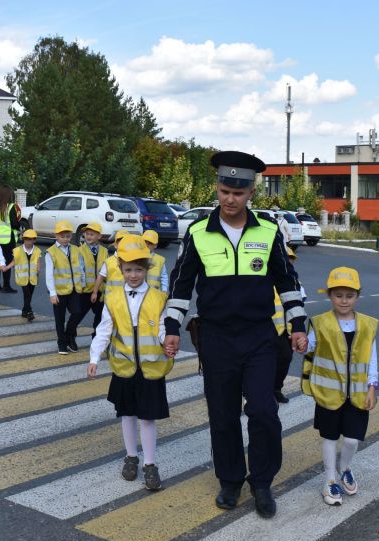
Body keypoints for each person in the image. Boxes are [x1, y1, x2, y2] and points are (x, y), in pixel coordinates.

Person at [163, 150, 308, 519]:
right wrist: (172, 328)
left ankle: (261, 482)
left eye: (238, 193)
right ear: (217, 188)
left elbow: (287, 281)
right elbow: (181, 285)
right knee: (223, 416)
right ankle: (230, 480)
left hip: (260, 337)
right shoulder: (197, 232)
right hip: (216, 338)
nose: (230, 199)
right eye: (225, 191)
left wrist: (297, 324)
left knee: (264, 411)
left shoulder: (269, 230)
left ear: (250, 194)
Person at [87, 234, 173, 491]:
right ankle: (131, 457)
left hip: (150, 368)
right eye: (128, 270)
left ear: (146, 269)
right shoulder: (112, 298)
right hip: (124, 368)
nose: (133, 275)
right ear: (120, 268)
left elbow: (161, 328)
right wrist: (94, 358)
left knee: (147, 418)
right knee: (127, 414)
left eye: (138, 269)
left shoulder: (159, 298)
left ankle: (149, 464)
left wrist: (167, 342)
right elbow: (104, 330)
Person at [301, 267, 378, 506]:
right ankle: (330, 480)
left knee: (353, 440)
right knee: (330, 437)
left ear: (357, 296)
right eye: (338, 295)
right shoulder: (319, 323)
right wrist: (301, 342)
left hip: (357, 394)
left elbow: (371, 357)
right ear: (330, 296)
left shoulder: (366, 324)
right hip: (329, 392)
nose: (344, 300)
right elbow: (308, 349)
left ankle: (345, 468)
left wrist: (372, 386)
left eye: (349, 295)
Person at [272, 246, 307, 403]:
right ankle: (256, 392)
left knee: (285, 359)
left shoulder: (295, 282)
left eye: (290, 261)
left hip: (289, 330)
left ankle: (276, 388)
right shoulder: (265, 281)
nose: (288, 264)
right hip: (269, 329)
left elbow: (301, 301)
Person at [45, 220, 85, 354]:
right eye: (62, 236)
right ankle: (61, 343)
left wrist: (82, 283)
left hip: (74, 289)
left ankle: (68, 336)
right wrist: (52, 293)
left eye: (68, 236)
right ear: (56, 236)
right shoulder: (51, 252)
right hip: (59, 291)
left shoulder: (75, 249)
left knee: (77, 313)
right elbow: (49, 274)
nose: (65, 239)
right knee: (60, 319)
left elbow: (81, 268)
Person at [70, 223, 108, 338]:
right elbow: (79, 270)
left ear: (99, 236)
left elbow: (106, 271)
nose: (88, 236)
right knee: (77, 315)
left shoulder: (104, 251)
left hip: (99, 290)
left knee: (100, 316)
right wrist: (80, 287)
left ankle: (96, 337)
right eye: (87, 234)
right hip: (84, 290)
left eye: (92, 234)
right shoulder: (79, 250)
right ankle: (69, 337)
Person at [5, 229, 42, 321]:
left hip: (33, 278)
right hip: (22, 278)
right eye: (26, 239)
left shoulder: (37, 250)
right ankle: (29, 312)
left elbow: (38, 262)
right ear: (23, 239)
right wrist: (6, 268)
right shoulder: (17, 250)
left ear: (34, 240)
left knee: (29, 295)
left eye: (31, 239)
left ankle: (24, 311)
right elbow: (14, 261)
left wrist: (38, 270)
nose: (28, 241)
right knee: (27, 295)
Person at [0, 186, 21, 293]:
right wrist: (19, 224)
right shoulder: (11, 207)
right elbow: (14, 224)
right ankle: (6, 286)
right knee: (7, 262)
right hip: (8, 239)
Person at [91, 230, 128, 305]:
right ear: (115, 245)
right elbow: (100, 277)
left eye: (126, 242)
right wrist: (95, 293)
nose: (123, 245)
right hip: (111, 299)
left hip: (127, 299)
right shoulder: (109, 262)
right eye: (120, 242)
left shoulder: (132, 261)